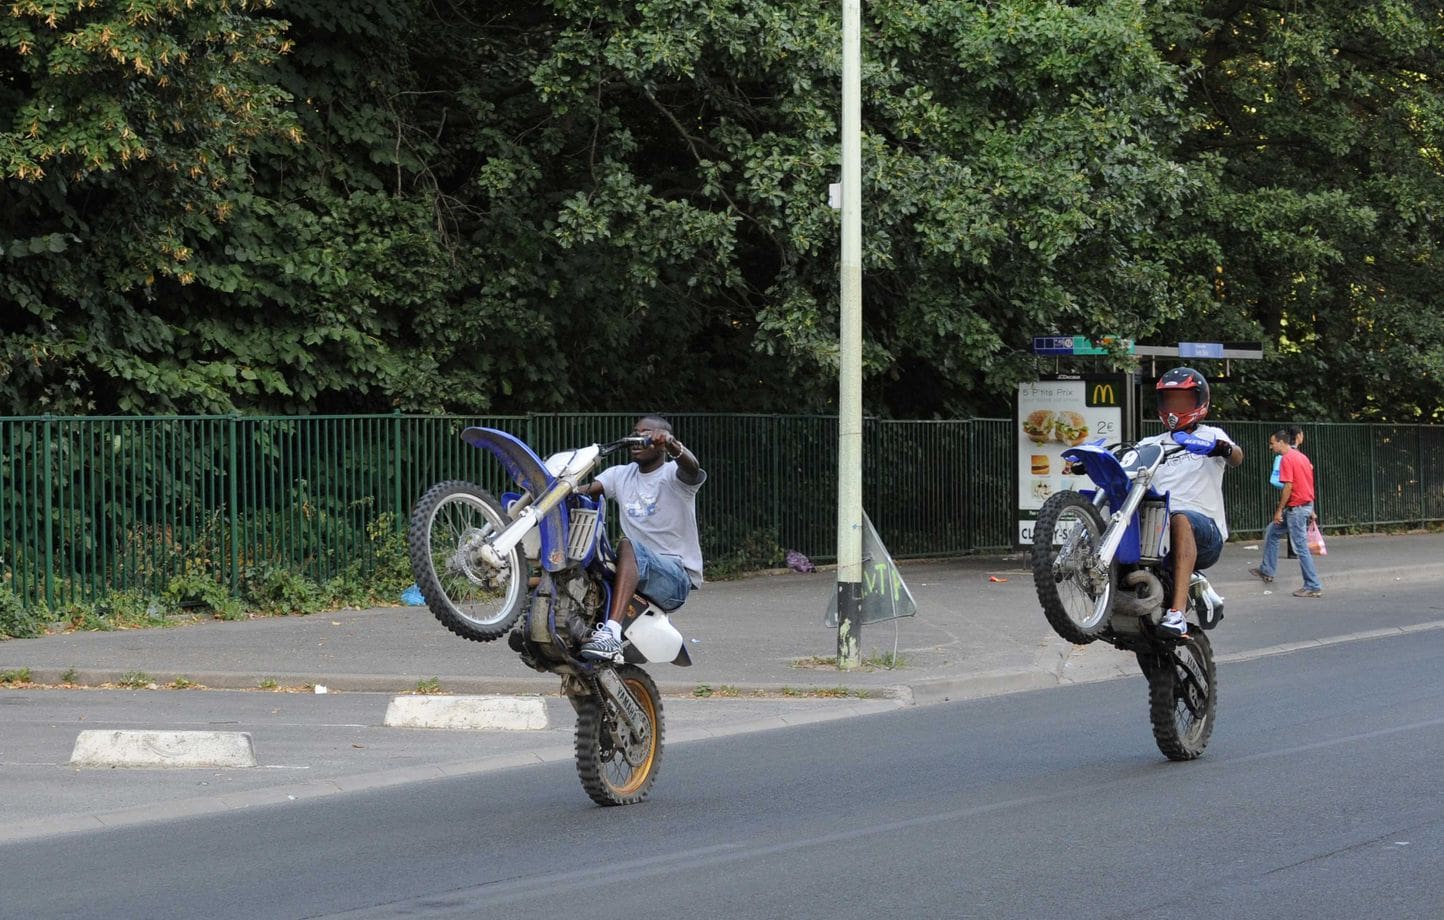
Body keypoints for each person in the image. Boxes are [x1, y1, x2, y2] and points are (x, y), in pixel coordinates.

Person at [574, 415, 706, 661]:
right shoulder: (620, 475)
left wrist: (673, 445)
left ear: (660, 441)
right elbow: (581, 492)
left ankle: (611, 632)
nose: (637, 439)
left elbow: (692, 468)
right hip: (639, 569)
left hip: (676, 577)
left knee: (627, 545)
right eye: (635, 432)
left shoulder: (674, 476)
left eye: (646, 434)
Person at [1146, 367, 1244, 637]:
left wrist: (1223, 449)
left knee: (1180, 517)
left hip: (1205, 533)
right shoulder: (1151, 443)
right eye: (1170, 401)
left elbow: (1236, 457)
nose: (1176, 408)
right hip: (1158, 535)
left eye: (1183, 401)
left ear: (1200, 401)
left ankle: (1176, 613)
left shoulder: (1212, 434)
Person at [1250, 429, 1323, 597]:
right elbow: (1308, 484)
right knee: (1272, 531)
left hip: (1295, 509)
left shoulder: (1286, 459)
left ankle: (1313, 585)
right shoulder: (1302, 457)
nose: (1271, 446)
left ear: (1282, 442)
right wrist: (1310, 508)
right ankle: (1266, 570)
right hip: (1302, 505)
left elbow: (1288, 487)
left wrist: (1279, 510)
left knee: (1300, 548)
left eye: (1272, 443)